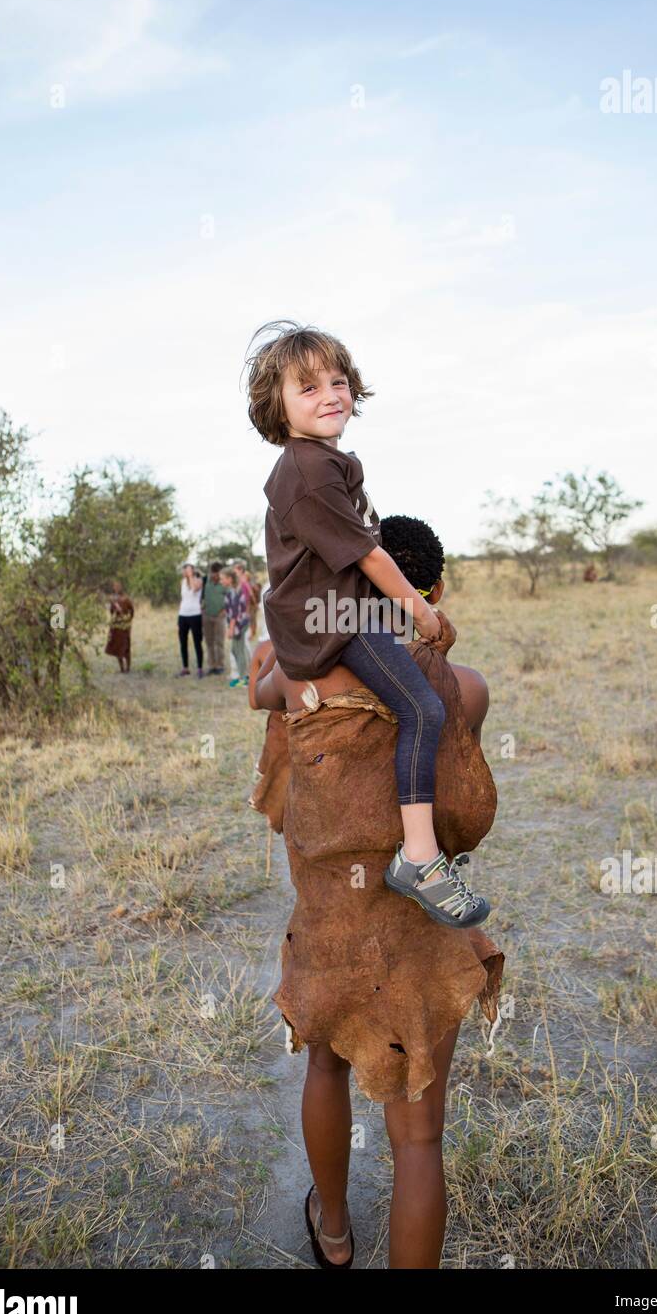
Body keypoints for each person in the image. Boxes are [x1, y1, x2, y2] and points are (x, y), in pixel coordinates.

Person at [247, 513, 504, 1269]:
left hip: (330, 926)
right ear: (438, 590)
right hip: (419, 930)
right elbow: (464, 806)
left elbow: (262, 682)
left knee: (325, 1065)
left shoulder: (300, 680)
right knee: (420, 1137)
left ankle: (333, 1234)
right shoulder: (467, 690)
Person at [245, 318, 490, 929]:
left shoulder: (328, 463)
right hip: (335, 622)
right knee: (426, 709)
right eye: (308, 387)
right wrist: (421, 608)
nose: (330, 394)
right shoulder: (306, 470)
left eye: (338, 380)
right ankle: (421, 857)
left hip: (336, 610)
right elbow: (368, 556)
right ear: (277, 407)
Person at [176, 562, 204, 678]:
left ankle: (200, 668)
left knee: (197, 642)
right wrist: (179, 617)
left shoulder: (198, 580)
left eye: (188, 570)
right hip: (183, 615)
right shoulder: (182, 582)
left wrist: (191, 576)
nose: (186, 572)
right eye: (185, 570)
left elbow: (194, 589)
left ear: (192, 570)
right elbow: (184, 599)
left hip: (195, 615)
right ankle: (185, 667)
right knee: (183, 642)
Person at [224, 567, 250, 687]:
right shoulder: (232, 589)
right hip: (238, 624)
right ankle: (244, 676)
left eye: (222, 579)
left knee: (238, 650)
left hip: (239, 624)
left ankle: (243, 679)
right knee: (236, 650)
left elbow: (235, 613)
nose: (221, 581)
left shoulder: (235, 590)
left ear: (229, 579)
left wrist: (230, 628)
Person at [202, 559, 227, 675]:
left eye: (217, 573)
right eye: (213, 573)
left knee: (219, 641)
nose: (215, 575)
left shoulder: (224, 584)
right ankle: (211, 666)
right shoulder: (205, 580)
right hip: (206, 615)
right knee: (209, 641)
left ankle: (220, 665)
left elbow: (230, 597)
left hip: (219, 617)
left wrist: (225, 610)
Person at [104, 580, 134, 673]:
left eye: (118, 586)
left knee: (126, 646)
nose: (117, 588)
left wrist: (127, 620)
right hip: (116, 626)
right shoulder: (113, 599)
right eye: (115, 586)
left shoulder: (126, 599)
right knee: (117, 647)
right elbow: (112, 612)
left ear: (121, 587)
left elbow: (132, 611)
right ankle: (121, 668)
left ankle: (128, 668)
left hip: (124, 626)